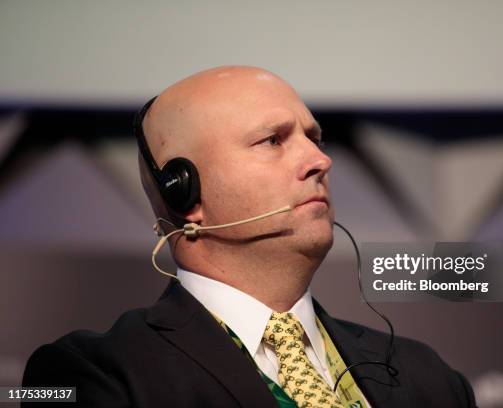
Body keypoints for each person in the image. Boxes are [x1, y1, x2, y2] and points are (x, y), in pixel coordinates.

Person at [22, 66, 477, 407]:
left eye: (314, 137)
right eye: (273, 141)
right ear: (185, 193)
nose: (320, 160)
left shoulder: (431, 379)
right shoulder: (93, 375)